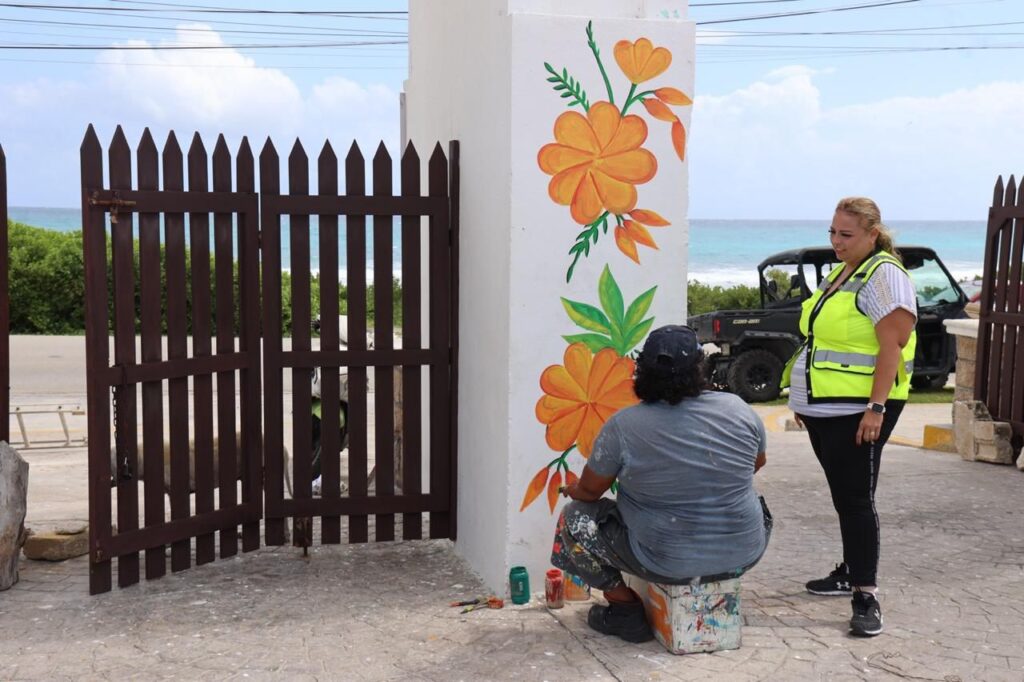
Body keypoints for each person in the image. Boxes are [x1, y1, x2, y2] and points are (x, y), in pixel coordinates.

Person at [552, 325, 772, 643]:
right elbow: (755, 465)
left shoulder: (624, 426)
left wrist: (573, 489)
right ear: (700, 368)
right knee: (758, 506)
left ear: (641, 372)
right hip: (744, 554)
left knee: (574, 518)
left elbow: (590, 492)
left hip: (664, 562)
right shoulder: (739, 409)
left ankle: (624, 609)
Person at [781, 196, 917, 638]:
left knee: (857, 499)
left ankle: (865, 594)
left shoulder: (883, 276)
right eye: (833, 233)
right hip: (827, 407)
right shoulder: (844, 273)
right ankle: (849, 570)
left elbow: (891, 347)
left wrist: (875, 409)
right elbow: (820, 340)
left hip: (860, 409)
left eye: (847, 234)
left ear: (872, 234)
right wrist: (806, 401)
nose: (836, 242)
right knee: (846, 495)